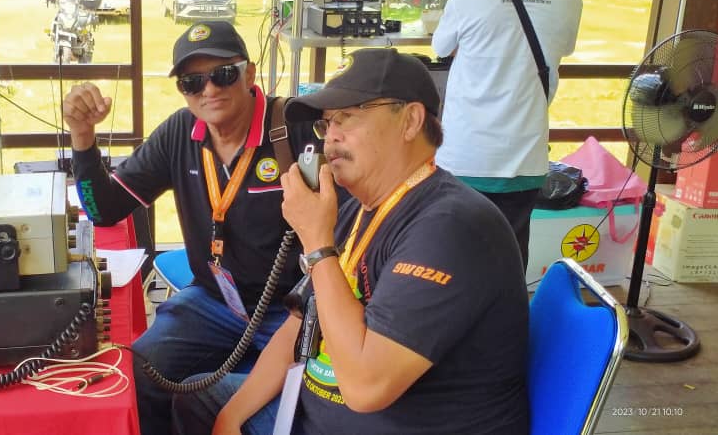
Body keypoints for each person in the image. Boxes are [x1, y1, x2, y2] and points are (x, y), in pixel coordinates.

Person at [172, 48, 530, 434]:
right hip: (313, 409)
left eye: (348, 116)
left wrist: (317, 242)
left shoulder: (452, 228)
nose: (331, 137)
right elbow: (298, 325)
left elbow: (364, 388)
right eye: (326, 123)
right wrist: (230, 417)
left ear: (410, 121)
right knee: (197, 401)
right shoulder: (357, 209)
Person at [63, 20, 330, 435]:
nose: (208, 90)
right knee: (136, 373)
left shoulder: (296, 129)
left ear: (249, 74)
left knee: (291, 411)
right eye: (192, 82)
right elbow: (105, 210)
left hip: (290, 311)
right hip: (215, 301)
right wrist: (82, 137)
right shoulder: (178, 133)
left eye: (223, 74)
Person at [431, 0, 583, 268]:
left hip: (466, 155)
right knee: (510, 257)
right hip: (526, 154)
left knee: (453, 260)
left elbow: (442, 47)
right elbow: (561, 46)